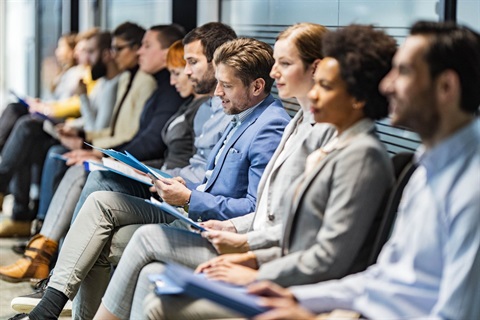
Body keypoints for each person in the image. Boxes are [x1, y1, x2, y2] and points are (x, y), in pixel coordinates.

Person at [91, 22, 337, 320]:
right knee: (146, 262)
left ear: (317, 68)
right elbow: (271, 210)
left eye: (285, 63)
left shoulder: (295, 128)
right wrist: (233, 228)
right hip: (241, 234)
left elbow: (284, 222)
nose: (275, 72)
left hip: (264, 253)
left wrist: (242, 241)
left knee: (143, 237)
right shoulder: (296, 123)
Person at [241, 20, 480, 320]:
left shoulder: (471, 185)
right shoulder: (425, 169)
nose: (386, 85)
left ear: (446, 86)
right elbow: (382, 279)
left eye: (403, 71)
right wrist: (294, 297)